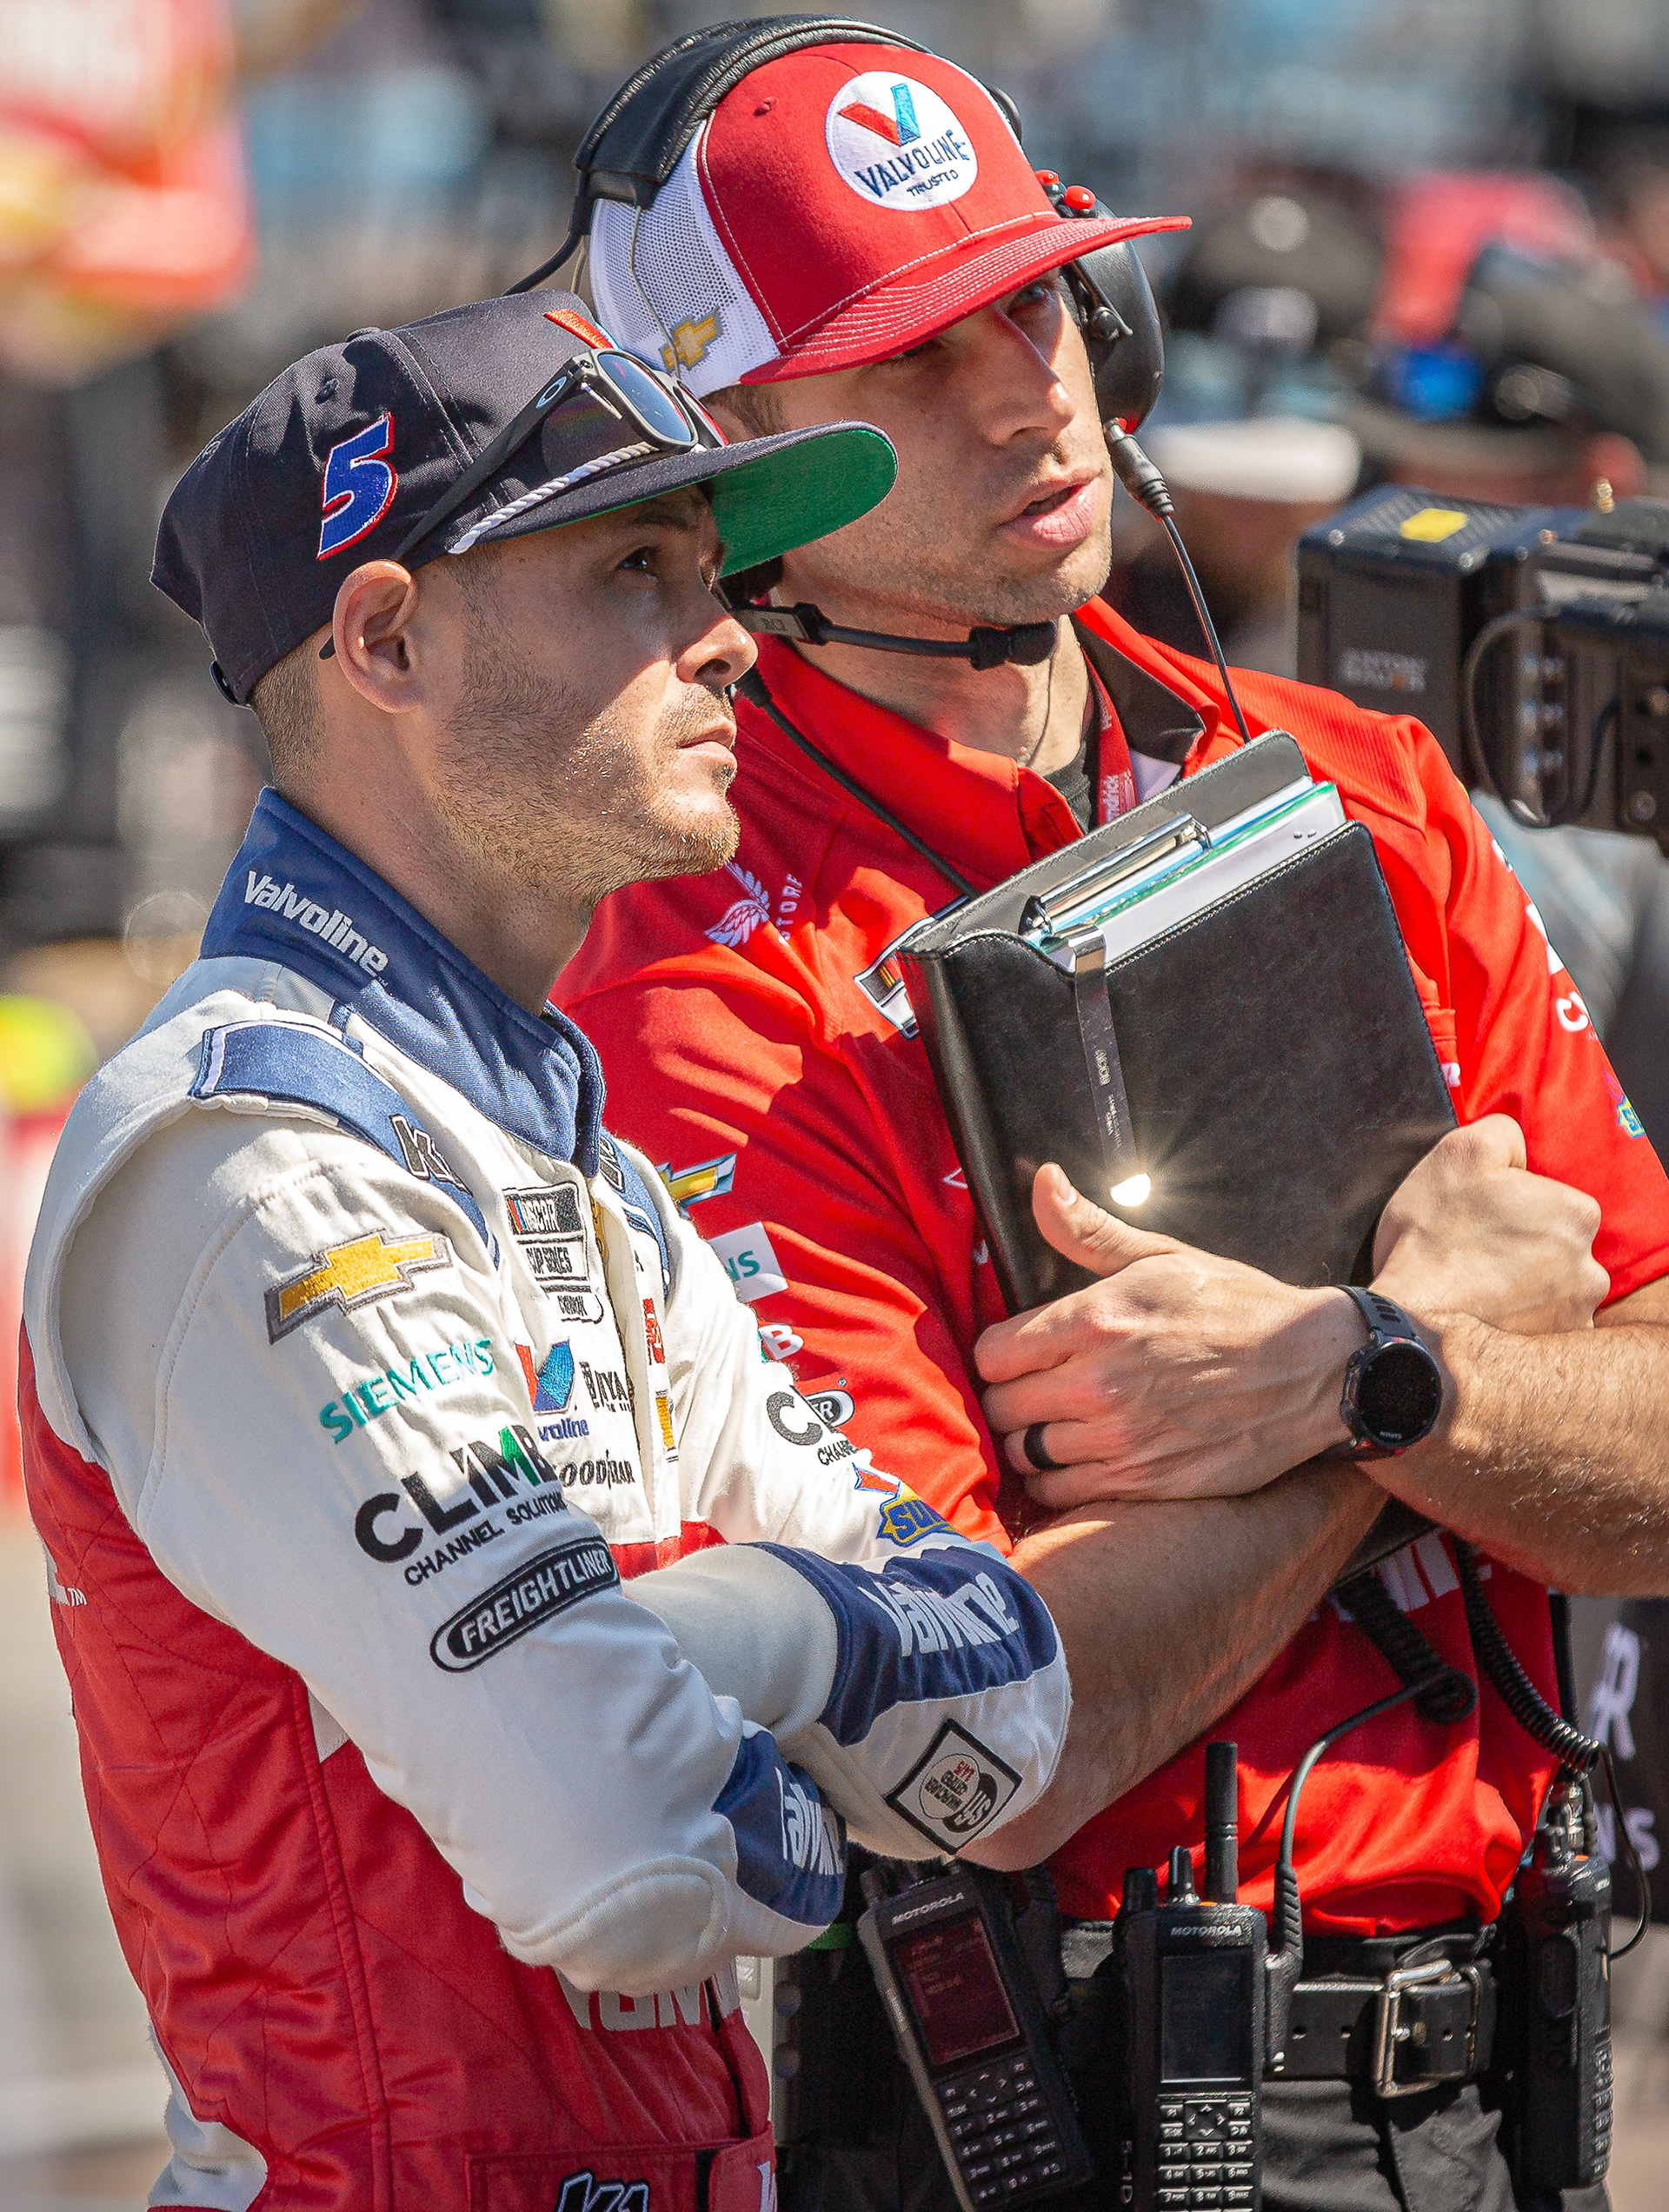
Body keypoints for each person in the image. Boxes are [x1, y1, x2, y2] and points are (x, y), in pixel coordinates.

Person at [556, 29, 1669, 2212]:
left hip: (1511, 2076)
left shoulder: (1368, 786)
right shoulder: (699, 995)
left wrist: (1334, 1381)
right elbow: (985, 1750)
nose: (1023, 399)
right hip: (1064, 2111)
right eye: (908, 363)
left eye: (1038, 305)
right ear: (726, 465)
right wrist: (1406, 1373)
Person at [16, 292, 1075, 2209]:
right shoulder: (246, 1155)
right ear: (389, 639)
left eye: (718, 572)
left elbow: (1013, 1709)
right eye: (641, 568)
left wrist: (729, 1636)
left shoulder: (591, 1175)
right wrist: (811, 1680)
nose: (735, 635)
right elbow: (626, 1858)